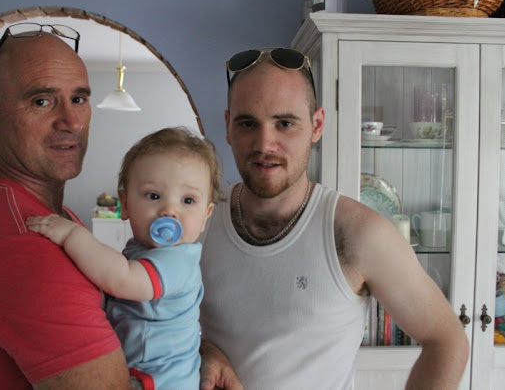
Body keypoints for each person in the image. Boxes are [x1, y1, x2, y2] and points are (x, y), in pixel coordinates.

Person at [198, 48, 470, 390]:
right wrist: (204, 351)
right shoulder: (198, 222)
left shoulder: (358, 233)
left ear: (317, 125)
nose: (265, 144)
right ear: (228, 126)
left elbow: (446, 340)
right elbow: (152, 322)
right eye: (248, 123)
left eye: (285, 123)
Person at [0, 23, 133, 388]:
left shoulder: (47, 217)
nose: (72, 122)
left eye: (78, 99)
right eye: (41, 101)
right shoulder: (26, 248)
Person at [28, 126, 222, 390]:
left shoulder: (178, 261)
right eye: (153, 196)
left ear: (206, 216)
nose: (169, 210)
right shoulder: (140, 249)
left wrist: (73, 236)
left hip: (160, 381)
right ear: (126, 204)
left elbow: (122, 279)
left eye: (188, 200)